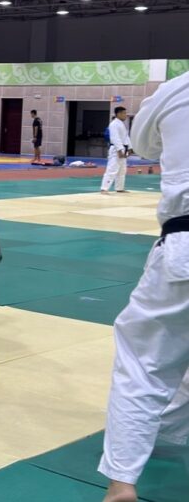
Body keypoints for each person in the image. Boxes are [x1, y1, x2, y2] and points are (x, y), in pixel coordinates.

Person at [98, 72, 189, 502]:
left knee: (143, 364)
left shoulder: (177, 89)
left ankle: (122, 484)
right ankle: (168, 428)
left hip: (184, 243)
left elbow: (146, 145)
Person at [101, 107, 131, 195]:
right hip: (116, 149)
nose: (125, 115)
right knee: (112, 169)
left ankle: (119, 188)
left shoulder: (121, 124)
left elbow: (126, 137)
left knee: (122, 170)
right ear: (118, 114)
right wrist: (119, 150)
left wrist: (130, 147)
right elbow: (115, 137)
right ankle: (104, 189)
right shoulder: (114, 124)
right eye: (124, 113)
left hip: (123, 148)